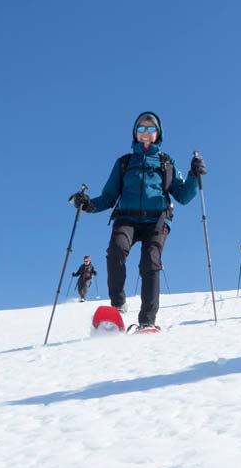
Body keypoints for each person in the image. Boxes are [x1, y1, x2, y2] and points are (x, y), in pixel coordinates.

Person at [70, 111, 205, 330]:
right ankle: (118, 304)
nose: (146, 133)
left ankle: (147, 321)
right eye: (141, 128)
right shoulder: (124, 163)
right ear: (135, 133)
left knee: (150, 261)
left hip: (157, 220)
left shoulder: (166, 162)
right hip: (127, 217)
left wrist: (193, 175)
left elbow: (184, 196)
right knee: (116, 250)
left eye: (151, 129)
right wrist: (88, 205)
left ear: (157, 134)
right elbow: (108, 196)